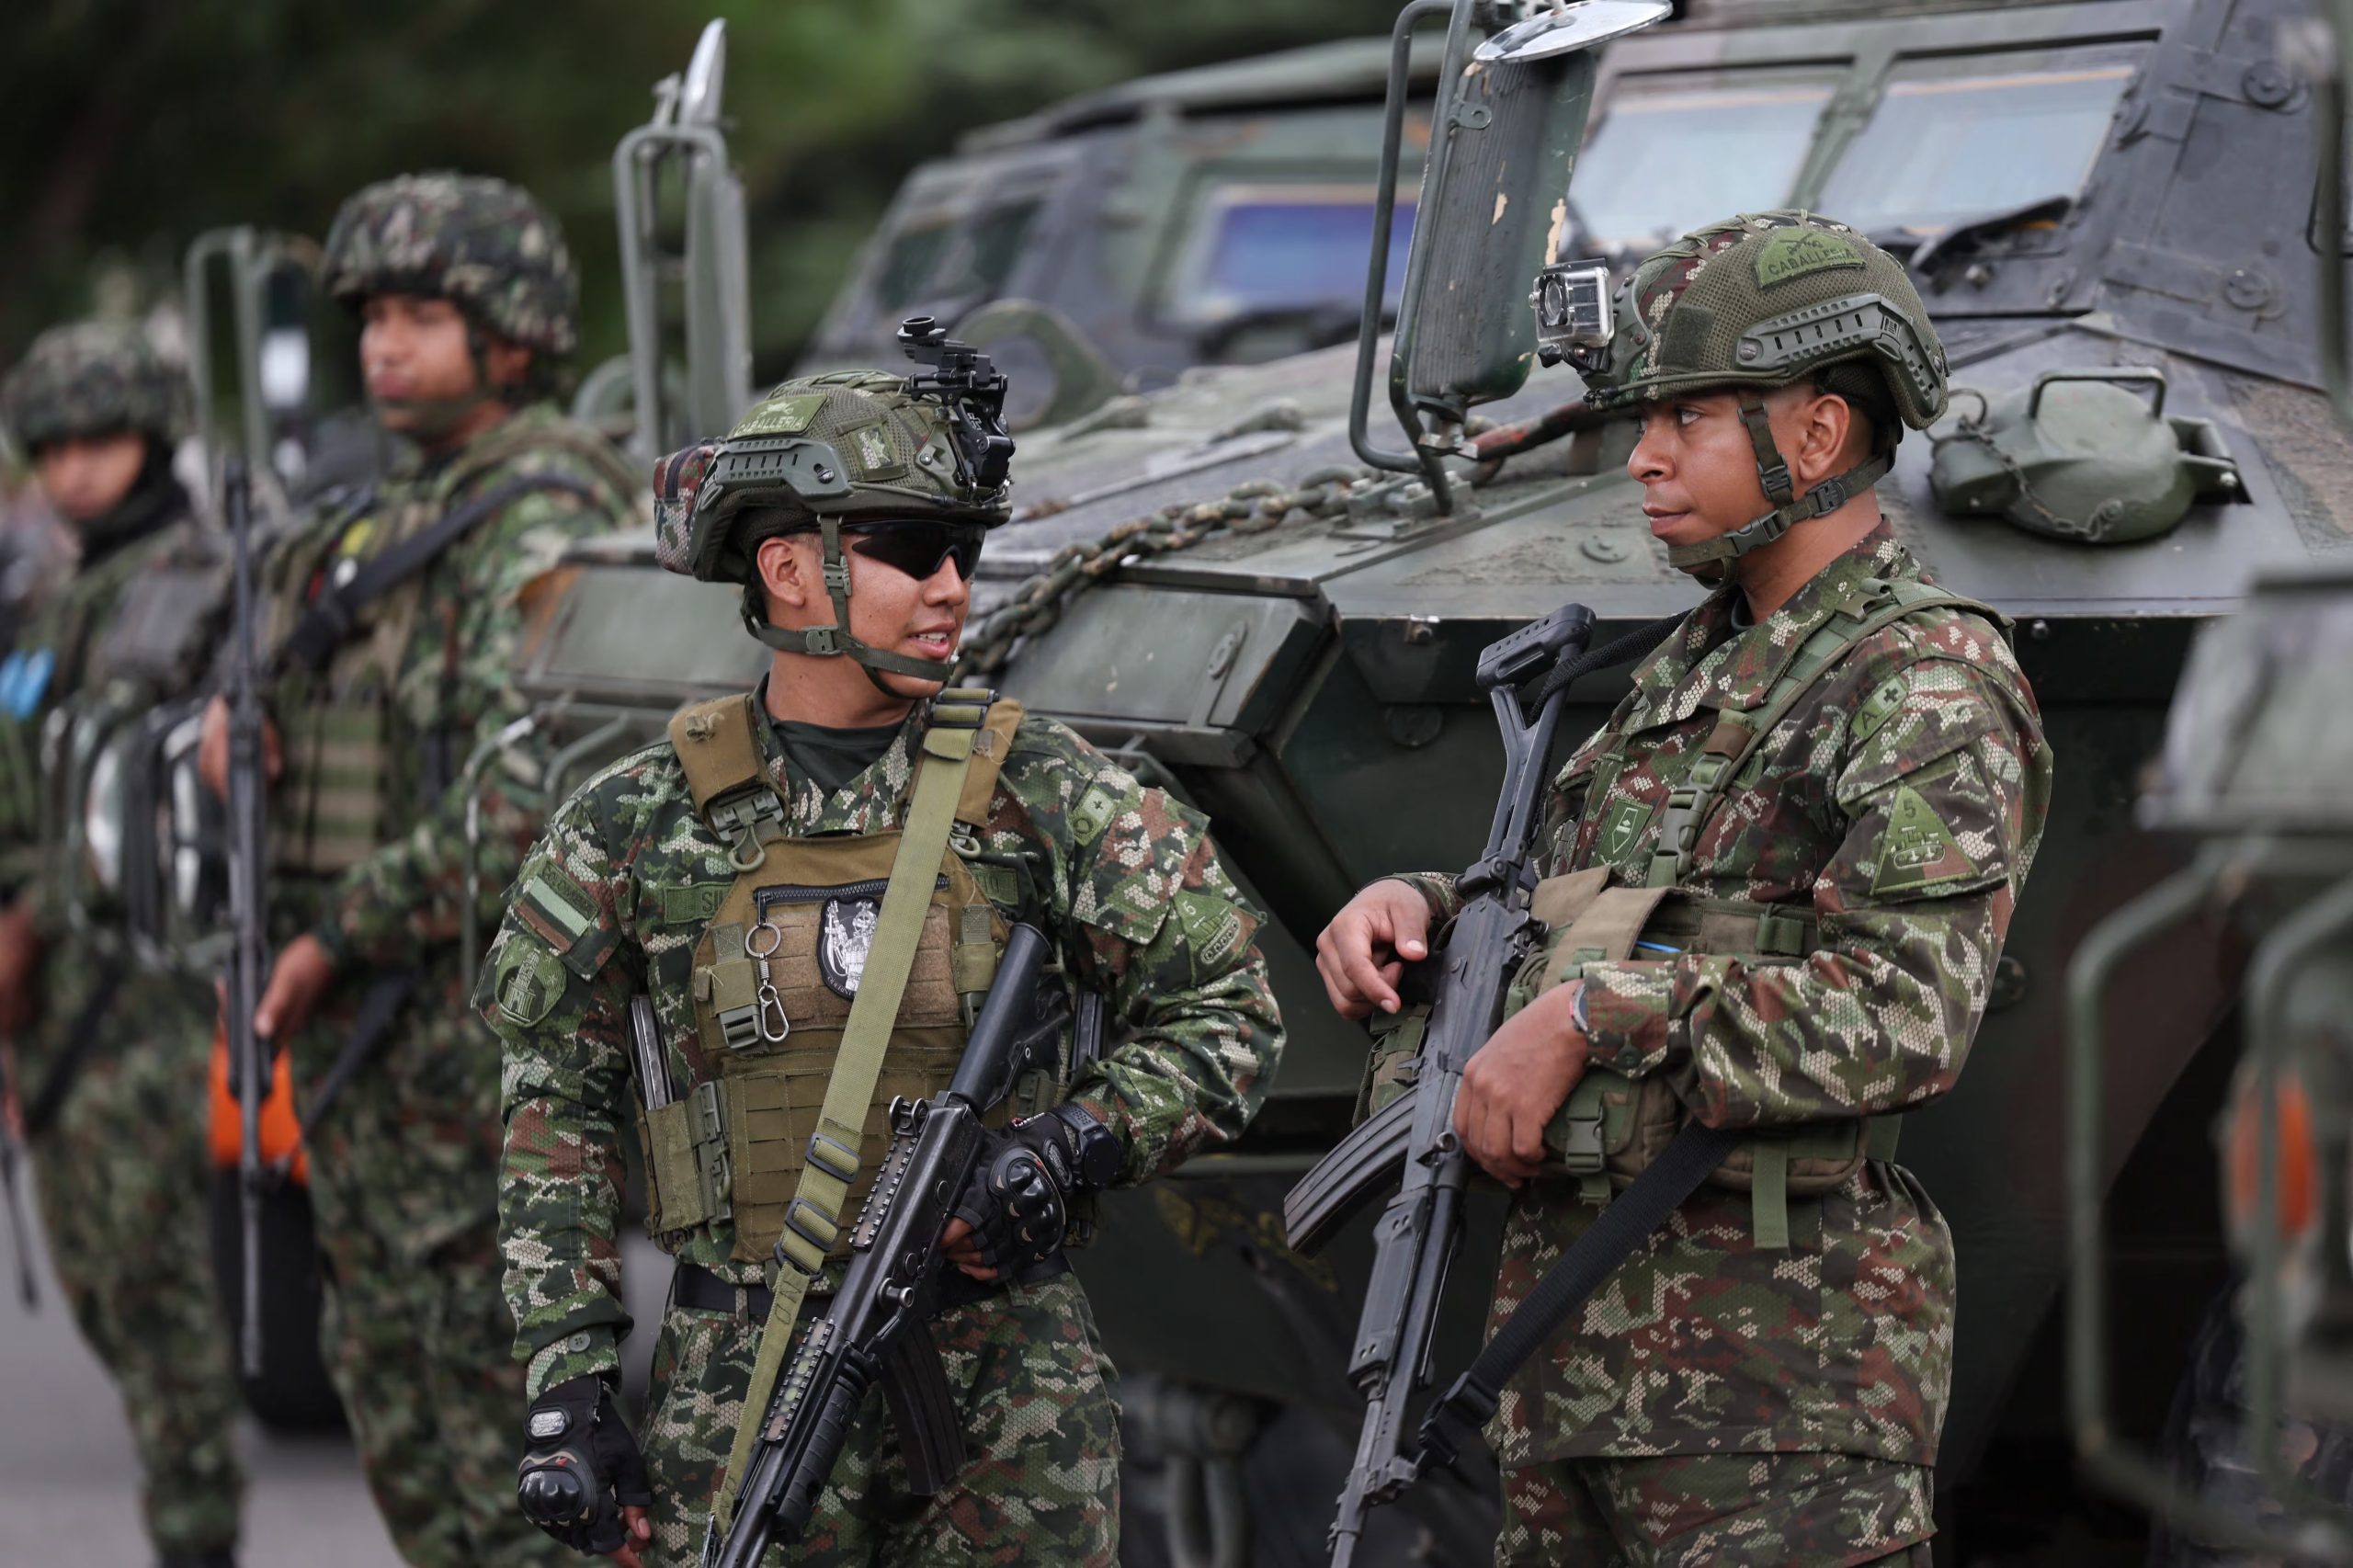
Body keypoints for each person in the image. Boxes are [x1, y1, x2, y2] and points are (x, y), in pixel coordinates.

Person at [1315, 211, 2054, 1566]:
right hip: (1574, 1365)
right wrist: (1424, 905)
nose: (1645, 459)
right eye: (1645, 421)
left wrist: (1605, 1018)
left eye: (1690, 418)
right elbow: (1582, 899)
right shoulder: (1697, 667)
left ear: (1818, 436)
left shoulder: (1924, 682)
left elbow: (1907, 1013)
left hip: (1781, 1387)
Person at [479, 352, 1284, 1567]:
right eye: (912, 547)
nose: (952, 586)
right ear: (790, 566)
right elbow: (556, 1111)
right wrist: (570, 1385)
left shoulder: (1042, 790)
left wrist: (1070, 1143)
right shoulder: (633, 823)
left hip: (1010, 1391)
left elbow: (1230, 1009)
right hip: (743, 1389)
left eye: (962, 550)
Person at [194, 173, 639, 1566]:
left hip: (470, 1043)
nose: (385, 342)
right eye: (372, 314)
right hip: (372, 1051)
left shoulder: (538, 516)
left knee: (509, 1442)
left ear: (511, 333)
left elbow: (536, 792)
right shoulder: (387, 514)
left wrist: (339, 931)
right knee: (398, 1413)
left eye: (421, 313)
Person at [0, 320, 246, 1568]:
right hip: (51, 1008)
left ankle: (197, 1534)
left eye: (98, 440)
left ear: (152, 437)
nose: (75, 469)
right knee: (101, 1288)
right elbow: (16, 784)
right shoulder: (50, 600)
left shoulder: (207, 587)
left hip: (142, 997)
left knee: (157, 1300)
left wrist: (33, 919)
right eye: (53, 447)